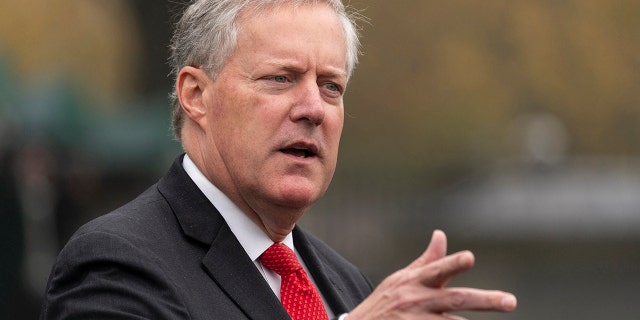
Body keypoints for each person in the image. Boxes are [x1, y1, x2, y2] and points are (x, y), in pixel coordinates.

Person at [40, 0, 517, 319]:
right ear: (196, 95)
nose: (313, 109)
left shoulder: (347, 285)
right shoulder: (115, 263)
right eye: (280, 79)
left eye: (331, 86)